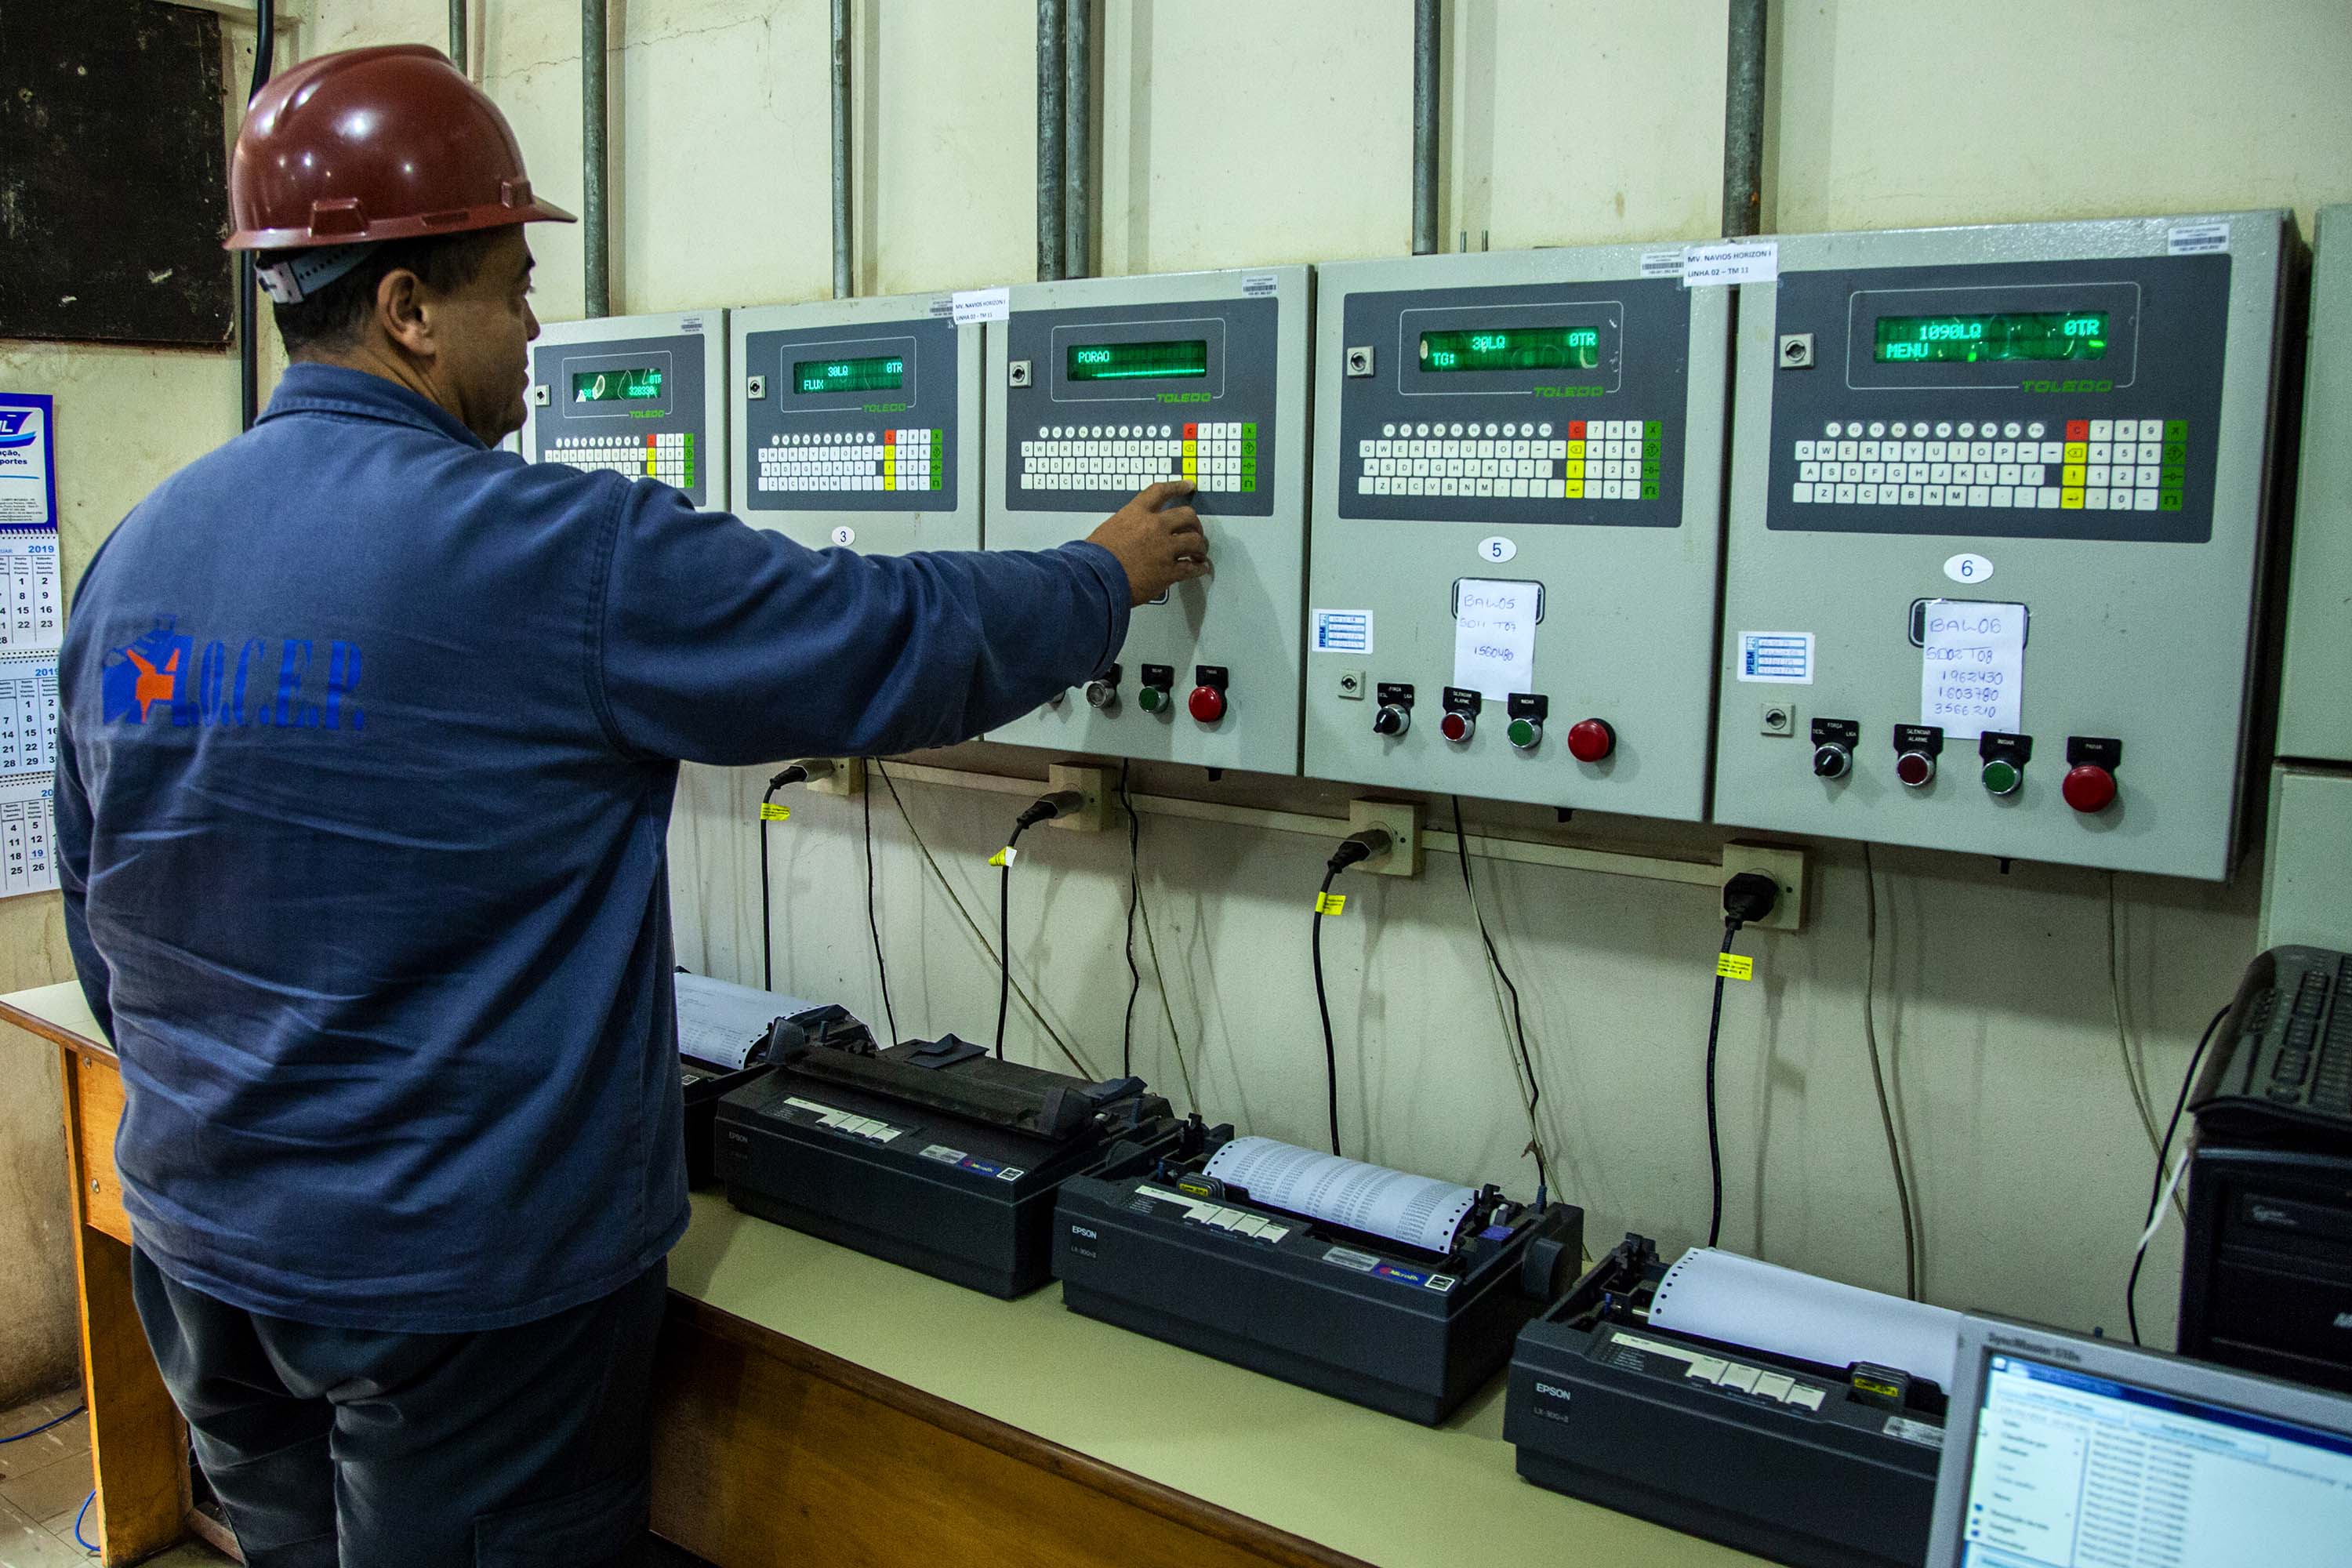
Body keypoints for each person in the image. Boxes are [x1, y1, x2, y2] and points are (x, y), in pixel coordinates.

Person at [52, 44, 1206, 1568]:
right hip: (458, 1282)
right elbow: (882, 639)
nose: (534, 334)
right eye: (511, 289)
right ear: (406, 307)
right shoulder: (545, 551)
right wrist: (1097, 577)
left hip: (207, 1250)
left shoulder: (142, 554)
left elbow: (98, 894)